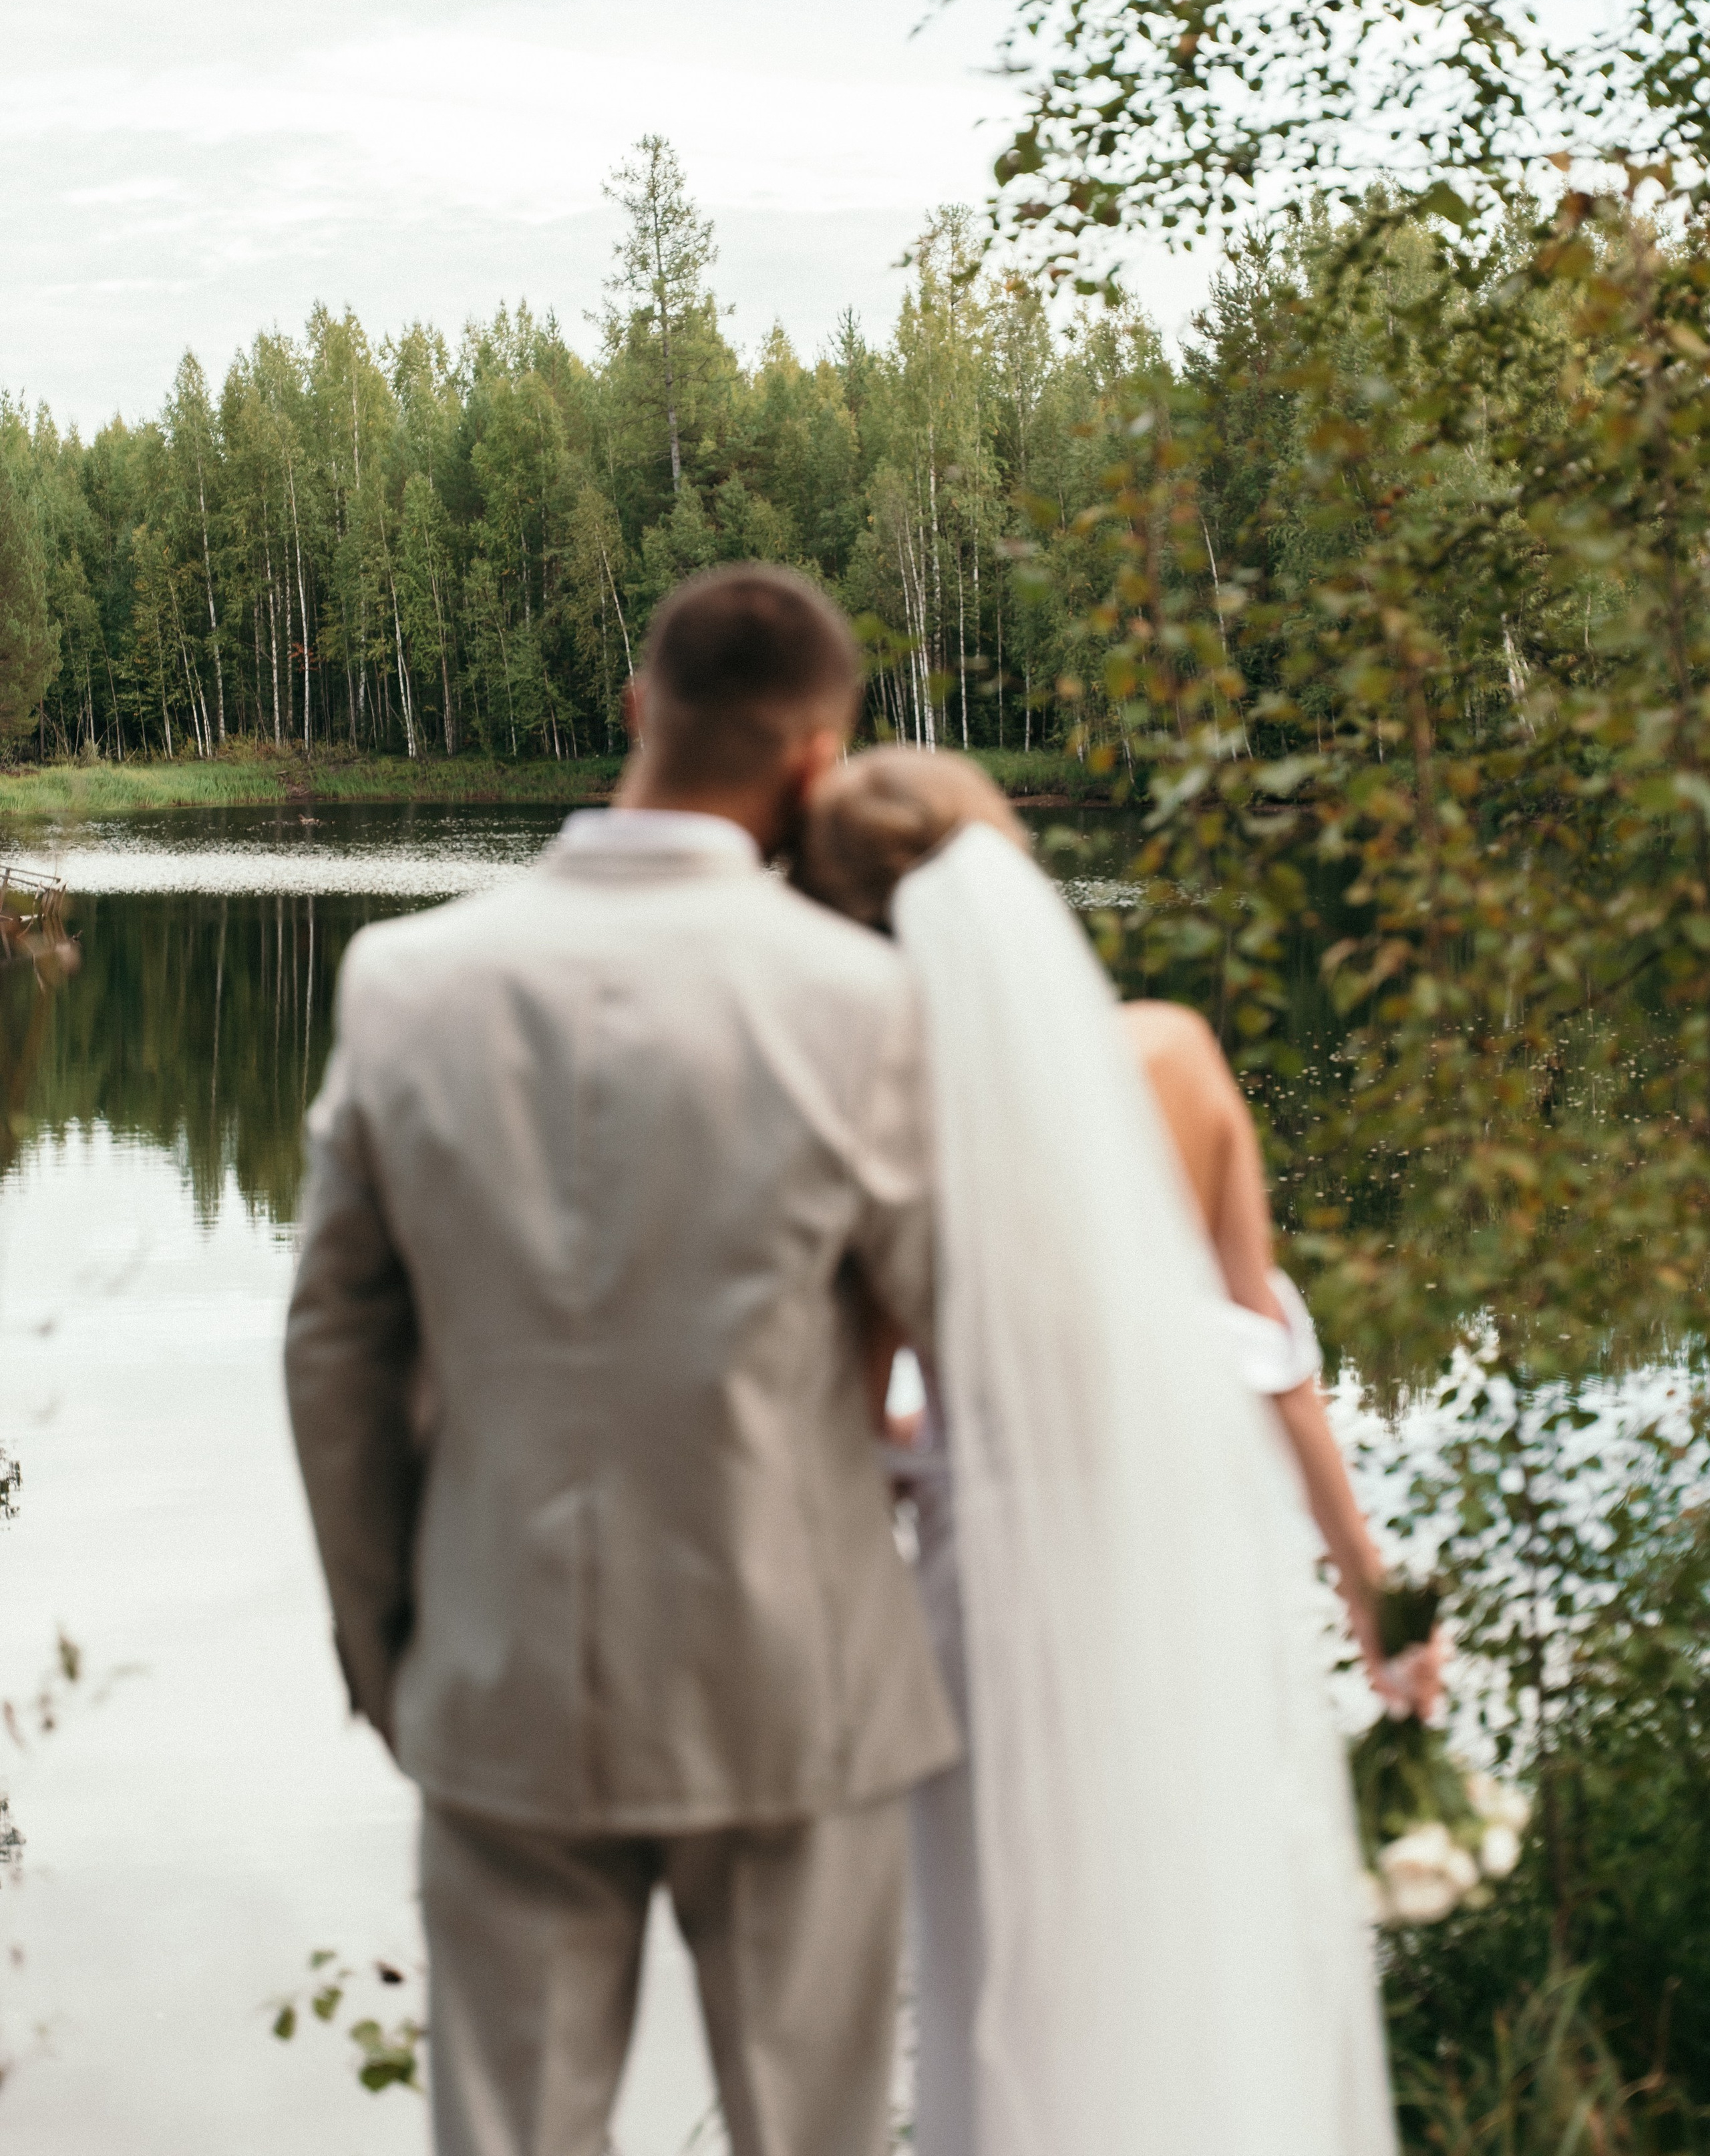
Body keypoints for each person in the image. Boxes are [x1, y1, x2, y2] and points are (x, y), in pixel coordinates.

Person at [285, 567, 961, 2156]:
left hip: (499, 1674)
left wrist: (392, 1643)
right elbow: (969, 1338)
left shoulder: (402, 980)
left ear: (636, 711)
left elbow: (331, 1352)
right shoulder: (860, 1004)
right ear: (816, 761)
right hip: (793, 1692)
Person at [796, 746, 1418, 2156]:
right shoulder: (1175, 1057)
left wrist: (935, 1449)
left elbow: (848, 1419)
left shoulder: (871, 1116)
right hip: (1182, 1578)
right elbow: (1275, 1368)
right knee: (1201, 1947)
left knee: (1008, 1985)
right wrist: (1365, 1589)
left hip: (993, 1600)